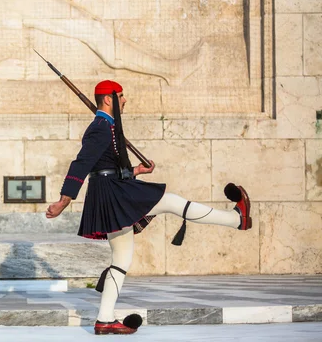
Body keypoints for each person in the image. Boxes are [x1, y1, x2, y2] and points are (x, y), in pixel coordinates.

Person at [46, 80, 251, 335]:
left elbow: (105, 166)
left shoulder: (108, 126)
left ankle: (104, 320)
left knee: (121, 260)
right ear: (108, 99)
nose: (125, 100)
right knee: (172, 201)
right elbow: (82, 163)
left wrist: (136, 170)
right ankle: (236, 219)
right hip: (113, 194)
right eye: (120, 96)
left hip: (112, 190)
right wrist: (65, 199)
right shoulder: (100, 127)